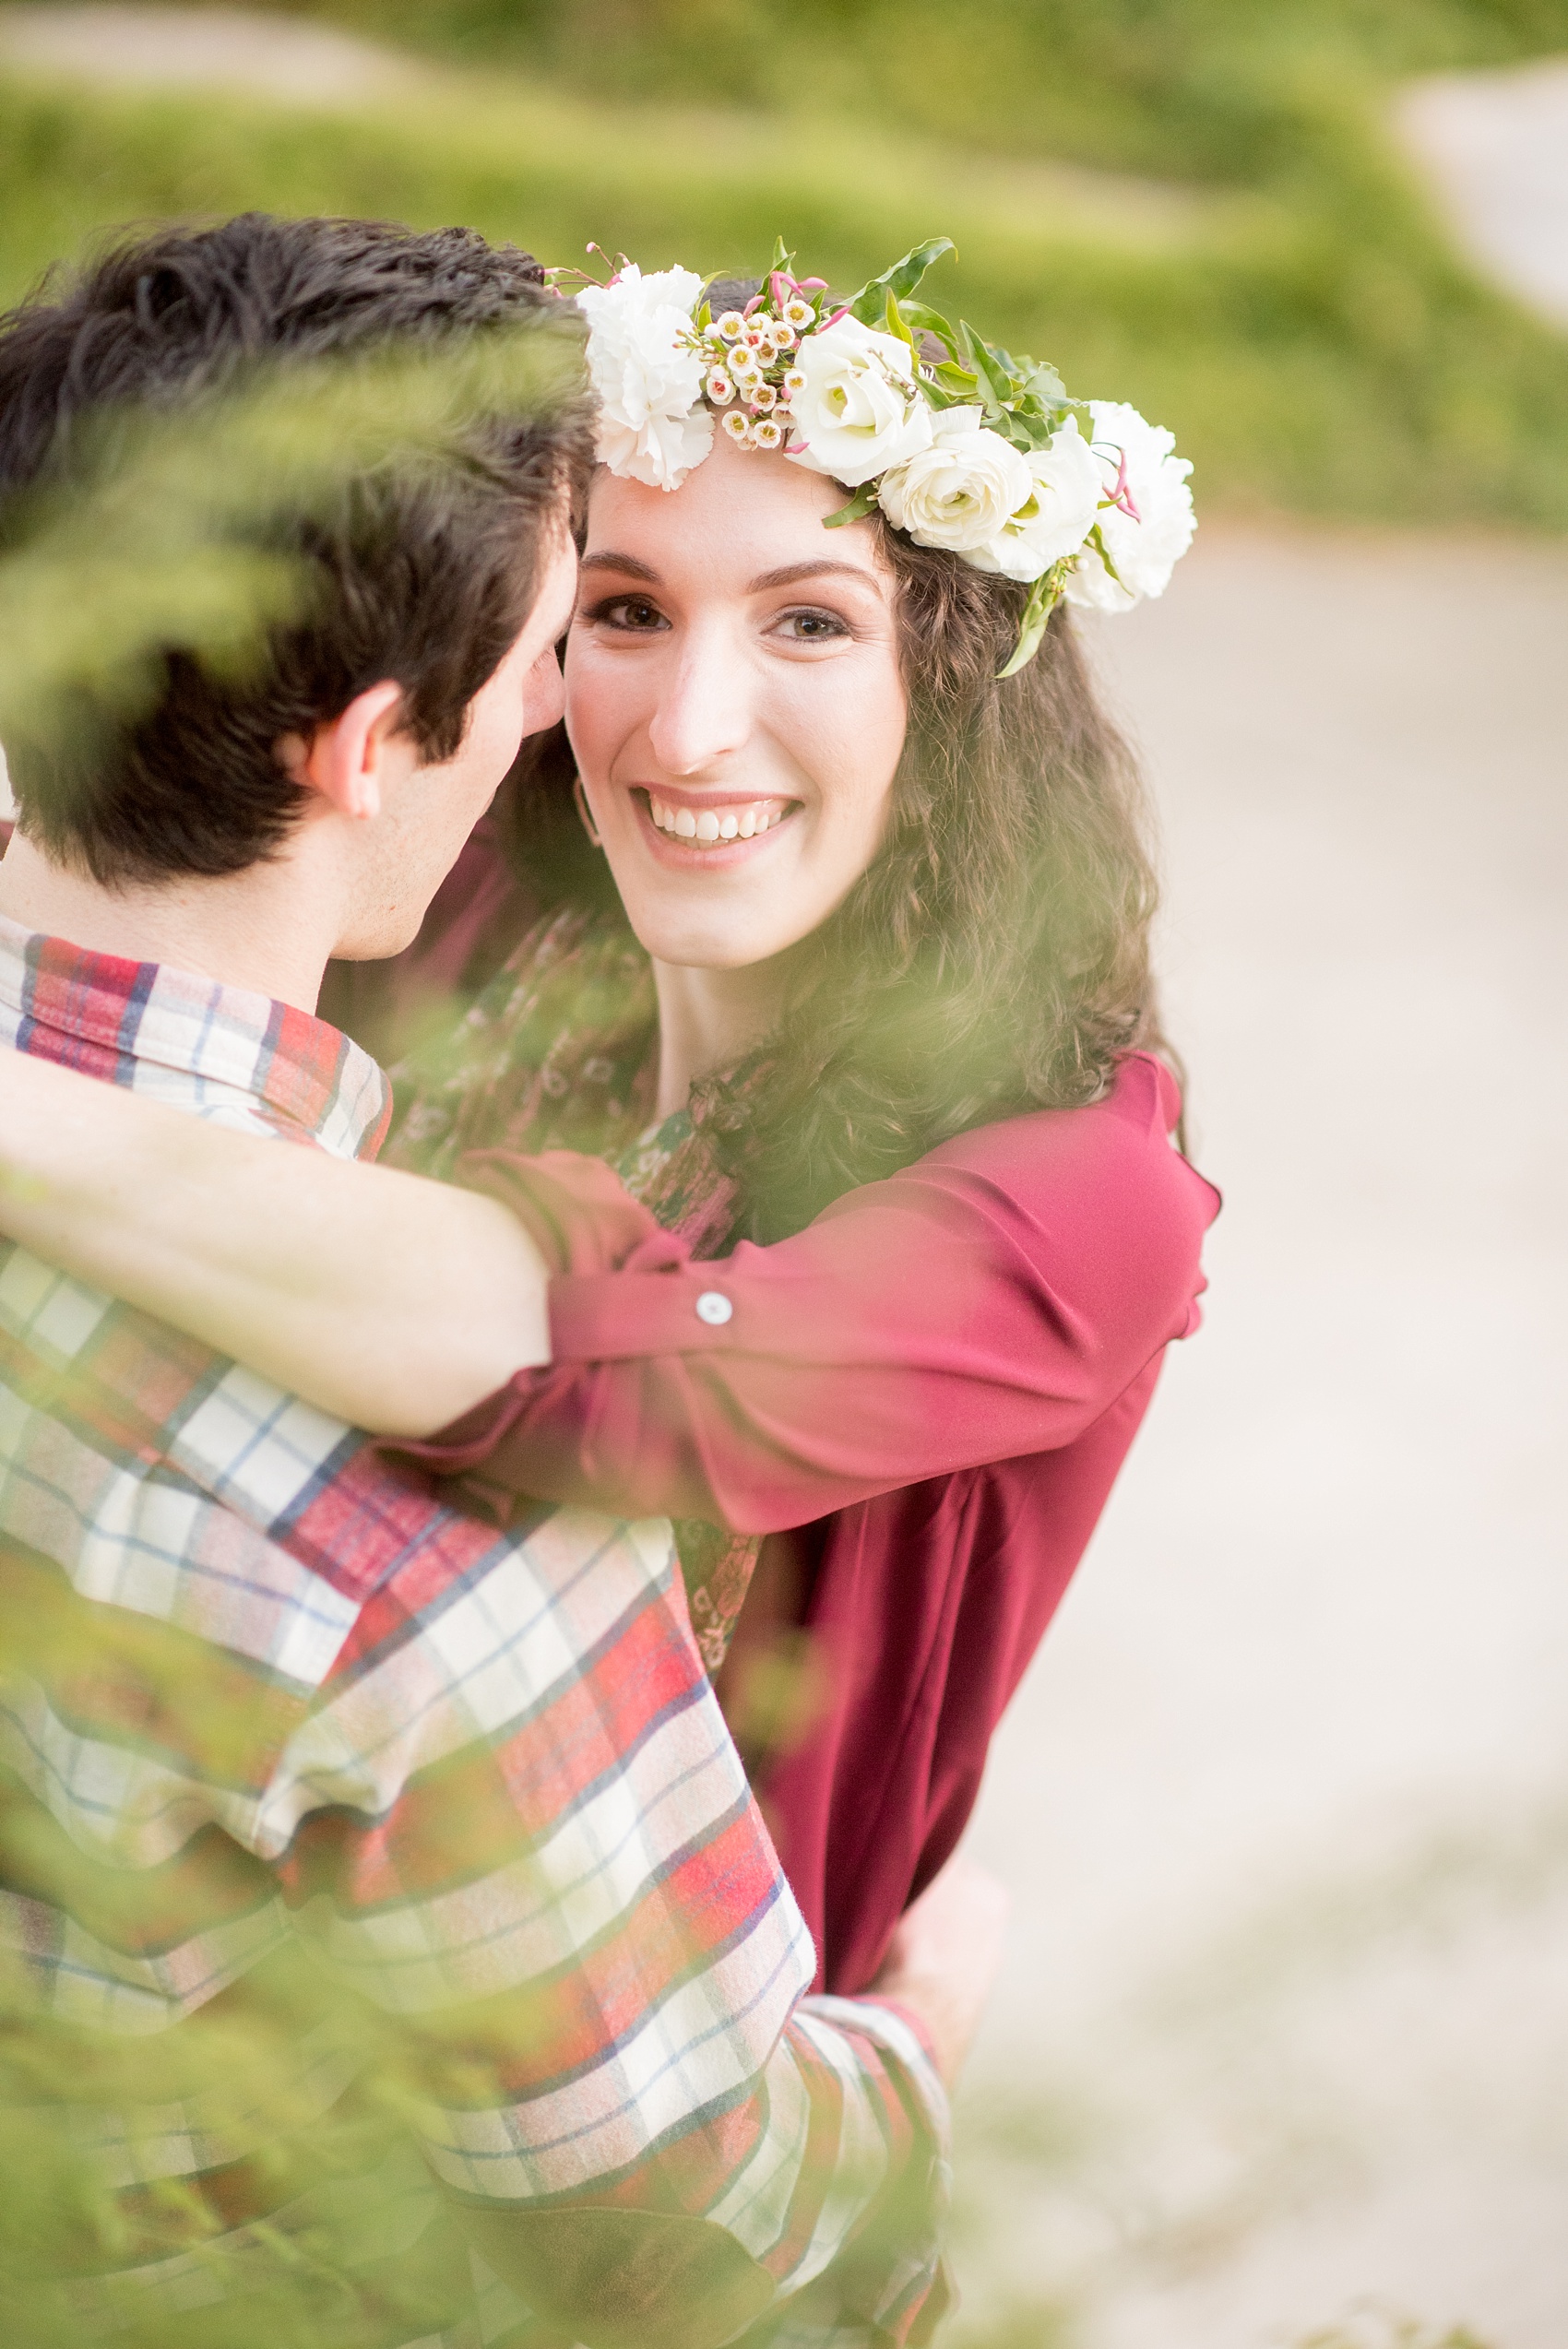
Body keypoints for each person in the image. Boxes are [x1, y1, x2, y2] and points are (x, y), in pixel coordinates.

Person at [0, 242, 1219, 2013]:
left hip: (678, 2096)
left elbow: (598, 1370)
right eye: (624, 611)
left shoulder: (1089, 1188)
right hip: (267, 1940)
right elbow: (182, 798)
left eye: (811, 620)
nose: (686, 728)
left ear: (957, 680)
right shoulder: (483, 899)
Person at [0, 216, 986, 2349]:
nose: (565, 706)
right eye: (562, 634)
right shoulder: (427, 1527)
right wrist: (910, 2041)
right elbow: (703, 2253)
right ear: (367, 747)